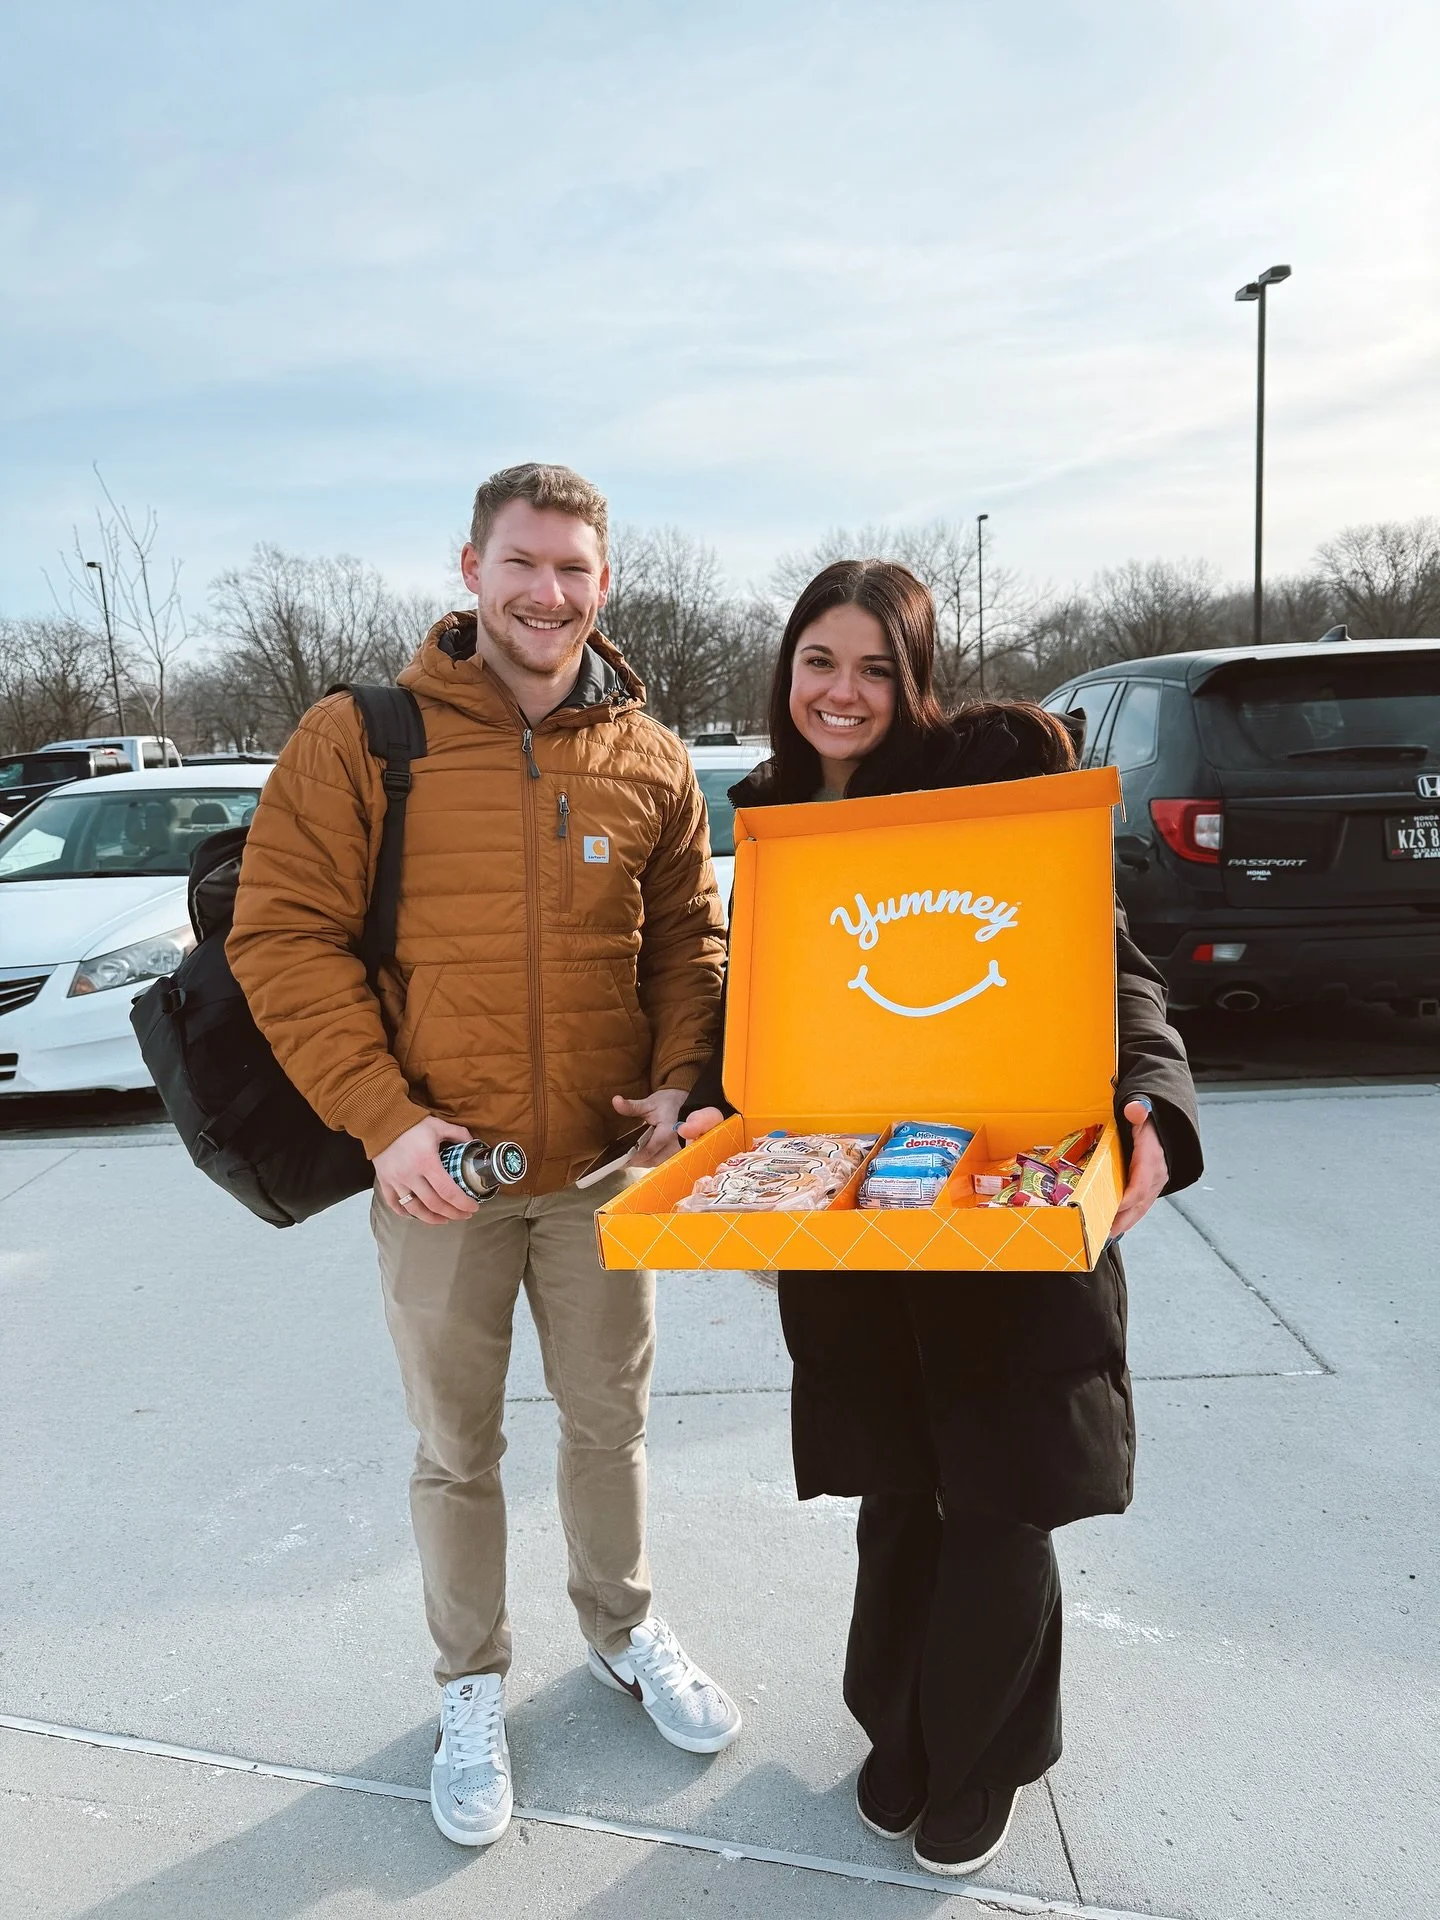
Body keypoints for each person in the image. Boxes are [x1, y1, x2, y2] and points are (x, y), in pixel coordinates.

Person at [228, 463, 742, 1851]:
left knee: (607, 1425)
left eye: (574, 569)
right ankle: (470, 1685)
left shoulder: (649, 754)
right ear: (470, 570)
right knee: (456, 1450)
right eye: (523, 563)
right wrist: (384, 1121)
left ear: (605, 584)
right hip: (438, 1178)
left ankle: (624, 1633)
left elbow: (693, 940)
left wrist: (684, 1072)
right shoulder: (363, 736)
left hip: (597, 1174)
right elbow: (280, 937)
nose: (547, 593)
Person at [678, 559, 1202, 1880]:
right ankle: (898, 1725)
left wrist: (1153, 1103)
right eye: (819, 662)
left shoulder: (988, 790)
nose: (841, 693)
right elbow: (766, 1019)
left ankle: (981, 1759)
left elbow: (1114, 969)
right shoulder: (777, 819)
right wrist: (699, 1101)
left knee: (1001, 1497)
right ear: (785, 670)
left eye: (874, 668)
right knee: (901, 1491)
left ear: (913, 680)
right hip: (862, 1228)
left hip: (1008, 1208)